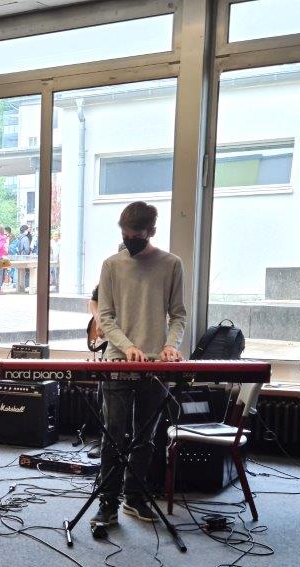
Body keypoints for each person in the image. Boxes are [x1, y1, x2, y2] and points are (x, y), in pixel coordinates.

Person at [91, 201, 188, 527]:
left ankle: (135, 497)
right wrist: (128, 346)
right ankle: (108, 501)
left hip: (155, 365)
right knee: (113, 436)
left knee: (146, 436)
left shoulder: (171, 264)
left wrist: (170, 345)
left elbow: (178, 315)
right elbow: (105, 317)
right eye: (125, 235)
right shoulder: (111, 266)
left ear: (151, 232)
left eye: (136, 236)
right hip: (117, 361)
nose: (130, 241)